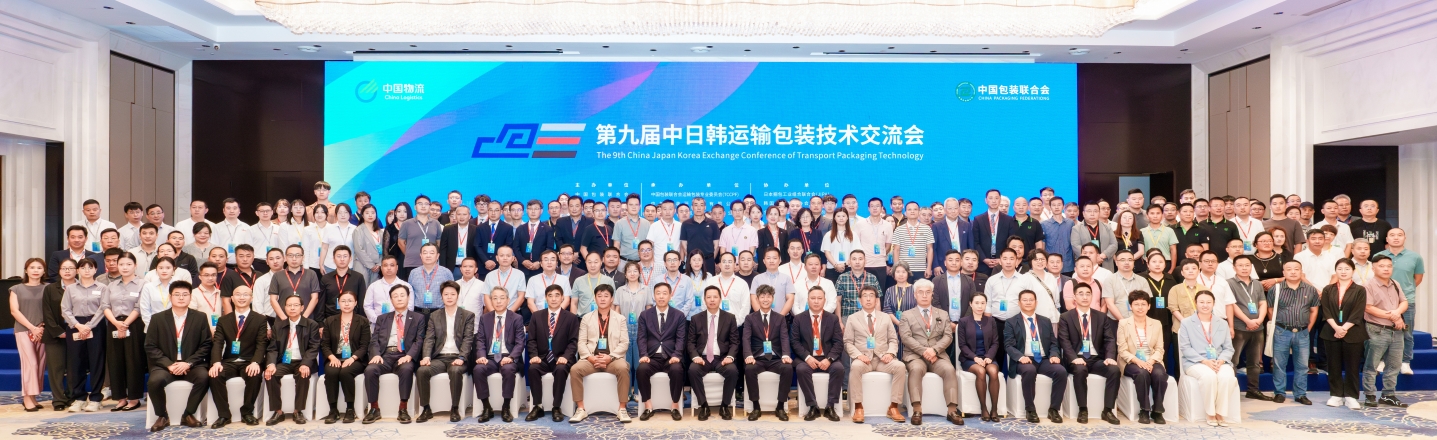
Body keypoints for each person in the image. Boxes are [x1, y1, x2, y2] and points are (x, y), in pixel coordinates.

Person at [142, 281, 213, 431]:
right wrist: (169, 364)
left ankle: (188, 414)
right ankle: (162, 416)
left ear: (190, 297)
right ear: (170, 297)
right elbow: (150, 346)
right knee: (154, 381)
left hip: (191, 365)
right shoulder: (157, 318)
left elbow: (206, 344)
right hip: (166, 365)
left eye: (185, 294)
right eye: (177, 294)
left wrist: (188, 363)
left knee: (204, 377)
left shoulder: (200, 317)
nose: (181, 298)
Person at [1057, 282, 1121, 424]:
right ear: (1074, 297)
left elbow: (1109, 339)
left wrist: (1110, 357)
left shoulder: (1101, 316)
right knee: (1080, 370)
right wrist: (1073, 358)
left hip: (1096, 358)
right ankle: (1083, 409)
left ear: (1092, 296)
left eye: (1088, 294)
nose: (1085, 297)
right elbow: (1064, 341)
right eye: (1081, 294)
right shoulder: (1066, 317)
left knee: (1114, 370)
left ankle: (1108, 410)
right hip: (1077, 359)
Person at [361, 285, 426, 424]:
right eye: (395, 296)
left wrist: (409, 356)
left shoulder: (418, 318)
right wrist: (376, 354)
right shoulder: (382, 318)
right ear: (391, 300)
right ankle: (374, 409)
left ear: (408, 297)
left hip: (404, 355)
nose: (399, 298)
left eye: (402, 295)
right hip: (385, 355)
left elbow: (419, 340)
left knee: (407, 369)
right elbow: (374, 340)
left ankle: (403, 409)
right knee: (370, 370)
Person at [569, 284, 633, 423]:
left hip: (612, 359)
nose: (603, 299)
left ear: (612, 299)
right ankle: (581, 409)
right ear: (595, 298)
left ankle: (622, 409)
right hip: (591, 359)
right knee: (575, 369)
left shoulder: (620, 318)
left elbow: (624, 343)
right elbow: (581, 343)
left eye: (606, 296)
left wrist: (610, 357)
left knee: (623, 368)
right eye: (599, 296)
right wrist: (591, 358)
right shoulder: (587, 318)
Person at [208, 285, 269, 427]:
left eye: (245, 294)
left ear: (251, 298)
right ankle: (224, 415)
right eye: (238, 294)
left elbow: (261, 344)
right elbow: (217, 343)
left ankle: (247, 413)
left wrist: (256, 362)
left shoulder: (260, 319)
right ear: (232, 298)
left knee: (255, 375)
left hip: (249, 361)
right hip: (229, 360)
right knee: (215, 375)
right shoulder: (223, 320)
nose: (242, 297)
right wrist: (216, 362)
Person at [413, 280, 475, 423]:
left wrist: (462, 357)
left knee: (455, 370)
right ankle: (426, 408)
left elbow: (468, 339)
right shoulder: (435, 316)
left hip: (458, 357)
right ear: (441, 296)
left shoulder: (467, 315)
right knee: (422, 371)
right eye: (446, 294)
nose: (449, 297)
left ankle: (454, 408)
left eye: (452, 294)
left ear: (457, 295)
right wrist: (426, 356)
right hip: (440, 358)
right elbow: (429, 338)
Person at [846, 285, 907, 423]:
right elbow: (848, 342)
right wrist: (858, 355)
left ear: (876, 300)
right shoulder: (852, 318)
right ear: (860, 300)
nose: (868, 299)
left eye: (871, 296)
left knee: (900, 367)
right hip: (863, 360)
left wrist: (890, 354)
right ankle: (858, 407)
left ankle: (893, 407)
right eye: (865, 296)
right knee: (855, 367)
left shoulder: (885, 317)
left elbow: (893, 339)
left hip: (882, 360)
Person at [1004, 289, 1067, 424]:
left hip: (1043, 359)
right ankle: (1030, 409)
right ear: (1019, 303)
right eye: (1025, 300)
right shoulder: (1011, 322)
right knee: (1029, 370)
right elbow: (1008, 345)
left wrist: (1054, 355)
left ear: (1036, 302)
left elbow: (1054, 343)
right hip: (1024, 359)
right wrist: (1020, 357)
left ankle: (1054, 409)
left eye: (1031, 300)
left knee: (1061, 371)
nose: (1028, 302)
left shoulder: (1045, 321)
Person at [1177, 291, 1237, 427]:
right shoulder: (1186, 323)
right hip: (1195, 362)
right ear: (1196, 303)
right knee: (1209, 376)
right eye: (1202, 302)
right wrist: (1204, 361)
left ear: (1214, 304)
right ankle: (1210, 412)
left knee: (1227, 377)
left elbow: (1229, 348)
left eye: (1208, 302)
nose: (1205, 305)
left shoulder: (1222, 323)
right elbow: (1185, 348)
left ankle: (1220, 412)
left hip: (1219, 361)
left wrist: (1221, 360)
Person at [525, 284, 580, 422]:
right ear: (546, 298)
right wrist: (534, 356)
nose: (554, 299)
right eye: (550, 296)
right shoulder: (537, 316)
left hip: (561, 358)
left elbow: (573, 342)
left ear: (562, 298)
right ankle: (537, 406)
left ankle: (556, 407)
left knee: (561, 370)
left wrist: (566, 357)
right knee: (532, 368)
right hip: (542, 358)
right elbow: (531, 340)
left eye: (557, 295)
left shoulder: (571, 317)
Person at [738, 285, 794, 421]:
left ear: (772, 299)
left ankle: (780, 406)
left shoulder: (780, 318)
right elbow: (746, 338)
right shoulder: (750, 318)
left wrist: (786, 354)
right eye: (762, 296)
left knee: (787, 368)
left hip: (776, 358)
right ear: (757, 299)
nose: (765, 299)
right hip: (757, 358)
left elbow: (784, 338)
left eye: (768, 296)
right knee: (749, 369)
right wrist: (748, 355)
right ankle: (756, 407)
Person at [264, 295, 321, 425]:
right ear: (285, 308)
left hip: (302, 361)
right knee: (270, 374)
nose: (292, 308)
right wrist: (271, 364)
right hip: (284, 362)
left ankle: (298, 411)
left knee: (303, 374)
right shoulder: (278, 326)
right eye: (289, 305)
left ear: (302, 307)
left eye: (296, 305)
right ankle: (278, 412)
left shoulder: (311, 325)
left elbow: (314, 347)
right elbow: (272, 348)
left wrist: (306, 363)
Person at [1268, 260, 1319, 405]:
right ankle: (1279, 393)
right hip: (1281, 331)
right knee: (1279, 364)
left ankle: (1300, 394)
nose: (1293, 272)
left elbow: (1314, 310)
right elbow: (1270, 309)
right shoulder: (1276, 289)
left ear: (1301, 272)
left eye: (1296, 269)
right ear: (1283, 272)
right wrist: (1276, 326)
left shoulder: (1310, 290)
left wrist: (1308, 328)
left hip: (1303, 332)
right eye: (1289, 269)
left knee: (1302, 365)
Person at [99, 253, 146, 411]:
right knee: (115, 361)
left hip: (134, 324)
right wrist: (116, 323)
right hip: (114, 323)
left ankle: (134, 398)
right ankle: (121, 398)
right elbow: (105, 306)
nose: (125, 267)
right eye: (121, 264)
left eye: (128, 264)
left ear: (135, 265)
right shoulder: (111, 286)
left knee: (134, 361)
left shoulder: (143, 284)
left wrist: (125, 324)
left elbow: (139, 307)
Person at [791, 286, 845, 422]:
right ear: (808, 300)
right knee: (801, 369)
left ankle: (830, 406)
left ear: (824, 300)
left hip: (827, 357)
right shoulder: (798, 319)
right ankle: (812, 406)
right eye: (813, 298)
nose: (816, 301)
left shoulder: (832, 319)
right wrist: (807, 357)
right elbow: (795, 342)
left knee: (838, 368)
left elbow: (838, 343)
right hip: (807, 358)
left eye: (819, 298)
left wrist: (829, 359)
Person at [1320, 258, 1368, 410]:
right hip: (1331, 331)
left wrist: (1344, 328)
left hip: (1353, 332)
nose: (1343, 272)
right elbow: (1326, 310)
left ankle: (1351, 396)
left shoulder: (1360, 290)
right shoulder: (1328, 289)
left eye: (1347, 269)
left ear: (1353, 271)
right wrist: (1336, 328)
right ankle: (1336, 395)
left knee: (1352, 366)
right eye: (1340, 269)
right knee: (1333, 365)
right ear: (1335, 271)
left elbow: (1358, 312)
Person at [1374, 228, 1423, 375]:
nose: (1396, 238)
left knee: (1406, 333)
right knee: (1382, 333)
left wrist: (1402, 293)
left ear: (1404, 238)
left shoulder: (1415, 257)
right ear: (1386, 239)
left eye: (1400, 235)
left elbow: (1417, 279)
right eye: (1392, 235)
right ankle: (1382, 360)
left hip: (1406, 300)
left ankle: (1405, 362)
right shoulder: (1378, 256)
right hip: (1382, 302)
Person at [1362, 255, 1409, 407]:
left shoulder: (1395, 283)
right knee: (1372, 365)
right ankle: (1369, 394)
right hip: (1377, 329)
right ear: (1373, 268)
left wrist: (1397, 314)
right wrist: (1394, 317)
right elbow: (1368, 308)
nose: (1386, 269)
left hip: (1396, 331)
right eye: (1382, 266)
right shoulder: (1368, 285)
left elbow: (1404, 302)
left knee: (1394, 365)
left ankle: (1388, 395)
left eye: (1389, 266)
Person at [635, 282, 687, 420]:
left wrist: (677, 355)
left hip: (671, 357)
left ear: (670, 295)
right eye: (658, 293)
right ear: (654, 296)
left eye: (665, 293)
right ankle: (648, 406)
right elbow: (641, 337)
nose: (661, 296)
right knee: (641, 369)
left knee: (677, 369)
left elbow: (681, 338)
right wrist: (644, 355)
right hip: (652, 357)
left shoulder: (679, 315)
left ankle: (674, 406)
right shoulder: (645, 315)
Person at [473, 287, 524, 422]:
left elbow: (520, 343)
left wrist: (511, 357)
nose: (498, 301)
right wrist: (481, 356)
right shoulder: (485, 318)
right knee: (478, 369)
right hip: (490, 358)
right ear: (491, 301)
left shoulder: (516, 318)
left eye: (502, 298)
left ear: (508, 300)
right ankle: (486, 407)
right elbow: (480, 340)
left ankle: (506, 407)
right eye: (495, 298)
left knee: (508, 369)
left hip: (508, 356)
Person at [61, 258, 106, 412]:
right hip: (75, 325)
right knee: (76, 362)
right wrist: (78, 325)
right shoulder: (71, 288)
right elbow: (65, 309)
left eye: (90, 267)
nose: (87, 270)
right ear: (78, 270)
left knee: (96, 362)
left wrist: (89, 326)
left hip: (96, 325)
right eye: (83, 267)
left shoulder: (102, 288)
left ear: (95, 270)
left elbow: (103, 308)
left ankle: (95, 398)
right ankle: (79, 398)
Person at [318, 290, 370, 424]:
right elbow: (324, 345)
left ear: (356, 303)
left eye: (350, 301)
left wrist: (352, 359)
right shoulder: (330, 321)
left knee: (346, 372)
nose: (347, 304)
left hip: (355, 358)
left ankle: (350, 409)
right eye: (343, 301)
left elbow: (364, 346)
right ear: (338, 303)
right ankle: (333, 410)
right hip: (335, 357)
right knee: (331, 372)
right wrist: (331, 357)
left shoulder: (363, 321)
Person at [1225, 255, 1270, 400]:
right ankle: (1231, 392)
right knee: (1233, 361)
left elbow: (1262, 302)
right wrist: (1247, 321)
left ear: (1251, 267)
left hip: (1258, 328)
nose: (1244, 268)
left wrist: (1259, 320)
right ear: (1234, 268)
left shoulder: (1257, 283)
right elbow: (1231, 305)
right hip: (1239, 327)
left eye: (1247, 265)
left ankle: (1253, 390)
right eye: (1240, 265)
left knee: (1255, 362)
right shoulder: (1229, 283)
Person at [10, 259, 49, 411]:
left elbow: (52, 309)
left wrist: (41, 327)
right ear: (26, 270)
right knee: (30, 363)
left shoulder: (48, 288)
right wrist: (32, 328)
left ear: (44, 271)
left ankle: (33, 396)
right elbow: (14, 311)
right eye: (32, 267)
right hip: (23, 329)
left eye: (39, 268)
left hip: (43, 330)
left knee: (40, 364)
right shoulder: (16, 289)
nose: (35, 270)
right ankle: (27, 398)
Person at [956, 292, 1001, 422]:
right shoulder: (963, 321)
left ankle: (994, 409)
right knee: (981, 371)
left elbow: (995, 342)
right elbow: (962, 345)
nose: (980, 306)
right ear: (970, 304)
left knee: (993, 371)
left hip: (988, 357)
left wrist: (989, 356)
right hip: (970, 358)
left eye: (983, 303)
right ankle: (983, 408)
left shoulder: (991, 321)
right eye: (976, 303)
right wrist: (975, 358)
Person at [269, 245, 321, 320]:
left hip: (306, 320)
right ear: (285, 258)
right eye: (290, 255)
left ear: (303, 257)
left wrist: (303, 319)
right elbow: (273, 300)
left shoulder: (311, 274)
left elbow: (315, 298)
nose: (294, 259)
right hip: (283, 320)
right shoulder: (277, 275)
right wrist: (284, 319)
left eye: (297, 255)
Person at [398, 195, 443, 279]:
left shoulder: (436, 223)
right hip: (412, 263)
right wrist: (409, 254)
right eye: (420, 204)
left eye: (426, 204)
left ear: (429, 207)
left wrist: (433, 255)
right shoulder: (406, 223)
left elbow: (438, 242)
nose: (423, 206)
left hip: (431, 263)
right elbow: (401, 242)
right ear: (415, 207)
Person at [362, 256, 411, 323]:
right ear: (381, 268)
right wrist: (377, 320)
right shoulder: (373, 286)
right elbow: (367, 306)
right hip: (377, 324)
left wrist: (397, 320)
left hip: (400, 323)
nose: (389, 268)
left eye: (392, 265)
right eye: (385, 265)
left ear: (397, 267)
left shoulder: (406, 286)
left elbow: (410, 306)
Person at [408, 243, 454, 315]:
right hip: (417, 313)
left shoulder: (446, 272)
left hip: (439, 313)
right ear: (421, 255)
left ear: (437, 256)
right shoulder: (413, 273)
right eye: (425, 253)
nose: (428, 255)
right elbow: (410, 294)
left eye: (432, 253)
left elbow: (452, 294)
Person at [1071, 201, 1117, 272]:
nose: (1092, 214)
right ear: (1083, 213)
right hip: (1085, 266)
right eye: (1089, 211)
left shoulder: (1107, 227)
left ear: (1099, 213)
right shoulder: (1076, 228)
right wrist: (1092, 258)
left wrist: (1102, 256)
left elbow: (1114, 244)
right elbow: (1076, 246)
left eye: (1095, 211)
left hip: (1105, 263)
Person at [439, 205, 478, 279]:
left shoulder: (476, 229)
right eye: (459, 214)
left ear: (469, 216)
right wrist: (443, 268)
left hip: (470, 268)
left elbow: (478, 249)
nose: (461, 217)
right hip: (452, 268)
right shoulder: (448, 229)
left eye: (464, 214)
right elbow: (443, 250)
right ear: (456, 216)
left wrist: (477, 268)